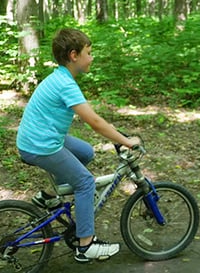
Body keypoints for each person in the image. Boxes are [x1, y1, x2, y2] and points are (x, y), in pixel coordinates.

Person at [16, 28, 140, 263]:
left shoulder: (61, 77)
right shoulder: (65, 84)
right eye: (89, 53)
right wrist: (126, 142)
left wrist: (114, 132)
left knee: (86, 152)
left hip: (41, 138)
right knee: (84, 182)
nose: (91, 58)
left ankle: (52, 197)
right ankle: (86, 245)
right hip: (40, 145)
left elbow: (95, 119)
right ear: (74, 55)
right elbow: (93, 122)